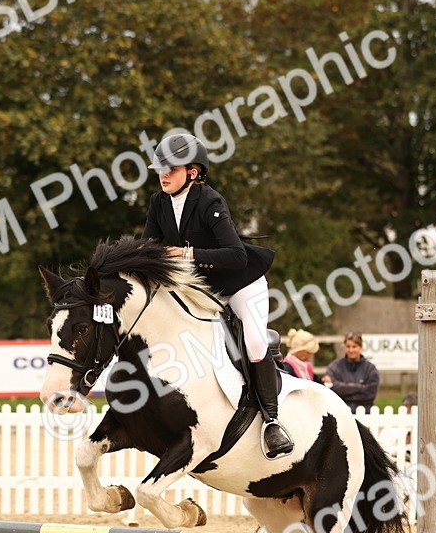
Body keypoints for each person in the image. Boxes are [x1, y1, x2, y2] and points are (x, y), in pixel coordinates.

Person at [142, 133, 293, 459]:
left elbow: (236, 255)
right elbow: (148, 250)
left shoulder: (210, 202)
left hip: (241, 285)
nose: (163, 175)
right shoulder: (158, 203)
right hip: (203, 289)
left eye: (171, 168)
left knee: (253, 341)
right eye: (160, 169)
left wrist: (186, 254)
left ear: (192, 172)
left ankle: (271, 421)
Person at [323, 333, 380, 412]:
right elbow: (330, 391)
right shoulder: (334, 367)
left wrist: (343, 390)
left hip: (366, 414)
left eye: (354, 346)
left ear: (361, 347)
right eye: (348, 346)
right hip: (340, 414)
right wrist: (360, 387)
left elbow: (370, 394)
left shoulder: (370, 369)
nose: (351, 350)